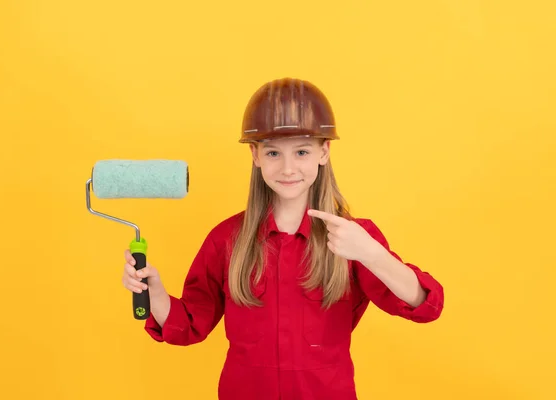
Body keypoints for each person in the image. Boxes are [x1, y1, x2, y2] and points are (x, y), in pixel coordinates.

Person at [121, 77, 444, 400]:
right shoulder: (227, 240)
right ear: (255, 155)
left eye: (302, 152)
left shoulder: (353, 238)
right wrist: (155, 293)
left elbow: (425, 305)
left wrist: (371, 254)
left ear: (324, 151)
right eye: (273, 153)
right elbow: (189, 325)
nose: (288, 168)